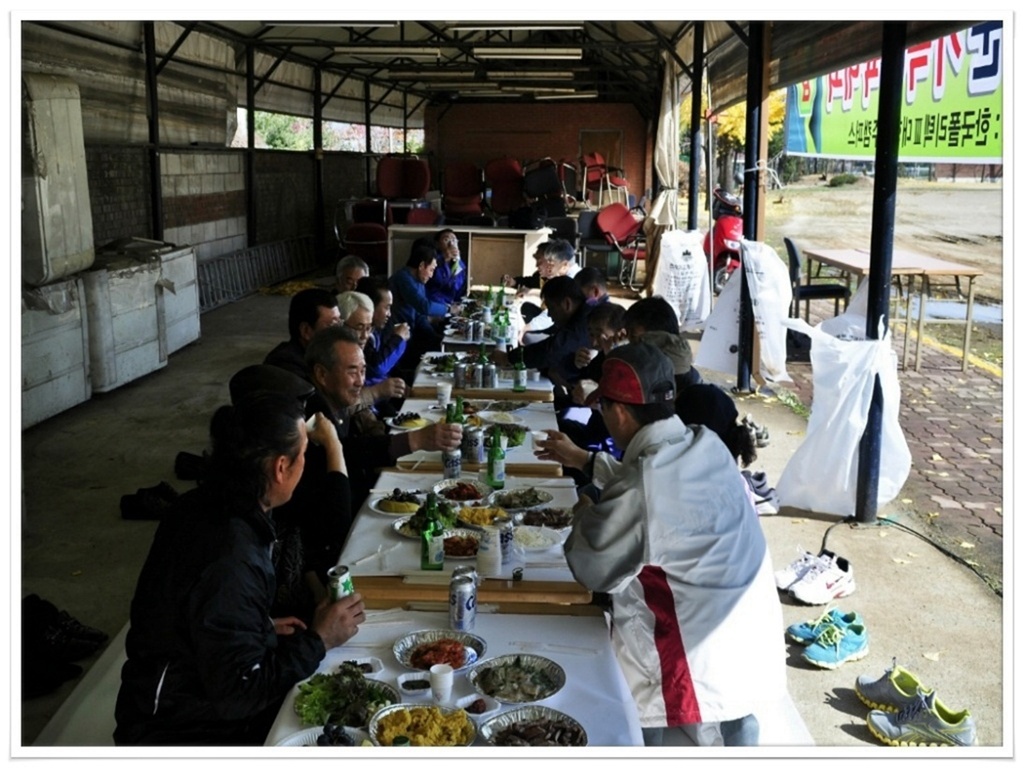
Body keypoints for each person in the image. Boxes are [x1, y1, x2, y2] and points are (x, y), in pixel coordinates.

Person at [535, 343, 787, 747]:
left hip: (694, 647)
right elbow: (652, 488)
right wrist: (586, 460)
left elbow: (592, 566)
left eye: (604, 409)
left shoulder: (645, 485)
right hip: (747, 631)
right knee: (734, 721)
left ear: (619, 412)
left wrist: (583, 509)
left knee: (643, 719)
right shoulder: (704, 443)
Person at [114, 391, 366, 745]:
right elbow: (240, 694)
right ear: (281, 467)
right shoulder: (232, 555)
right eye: (304, 455)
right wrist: (319, 640)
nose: (306, 463)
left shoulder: (207, 503)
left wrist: (255, 627)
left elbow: (190, 613)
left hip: (182, 694)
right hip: (179, 732)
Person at [304, 325, 462, 509]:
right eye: (352, 372)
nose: (360, 381)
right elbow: (346, 453)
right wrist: (415, 440)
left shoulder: (334, 400)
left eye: (363, 371)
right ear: (322, 374)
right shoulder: (311, 413)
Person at [389, 241, 450, 378]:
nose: (431, 275)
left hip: (411, 330)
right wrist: (448, 309)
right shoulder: (403, 278)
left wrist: (433, 336)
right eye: (431, 270)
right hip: (396, 332)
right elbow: (424, 306)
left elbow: (419, 314)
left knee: (438, 344)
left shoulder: (418, 281)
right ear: (421, 265)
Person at [337, 290, 407, 409]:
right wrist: (376, 392)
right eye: (359, 328)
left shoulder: (362, 349)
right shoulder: (334, 359)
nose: (365, 336)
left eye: (369, 328)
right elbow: (341, 408)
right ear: (340, 325)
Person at [503, 238, 581, 333]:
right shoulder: (563, 276)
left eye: (551, 263)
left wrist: (525, 329)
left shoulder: (573, 281)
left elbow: (550, 314)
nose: (549, 268)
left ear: (564, 265)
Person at [623, 296, 702, 388]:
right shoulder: (686, 373)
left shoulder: (654, 379)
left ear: (659, 337)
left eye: (633, 336)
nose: (629, 342)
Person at [264, 288, 341, 382]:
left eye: (339, 322)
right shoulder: (287, 368)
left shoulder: (321, 355)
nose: (339, 331)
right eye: (332, 325)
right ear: (306, 331)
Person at [356, 276, 410, 388]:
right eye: (387, 307)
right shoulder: (360, 335)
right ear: (370, 306)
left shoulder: (377, 330)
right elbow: (378, 367)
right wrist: (398, 338)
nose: (389, 314)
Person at [425, 228, 467, 305]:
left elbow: (460, 289)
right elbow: (435, 284)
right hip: (435, 304)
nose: (451, 244)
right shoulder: (432, 260)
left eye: (454, 240)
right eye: (446, 240)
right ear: (437, 244)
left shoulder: (460, 264)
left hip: (453, 305)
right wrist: (445, 259)